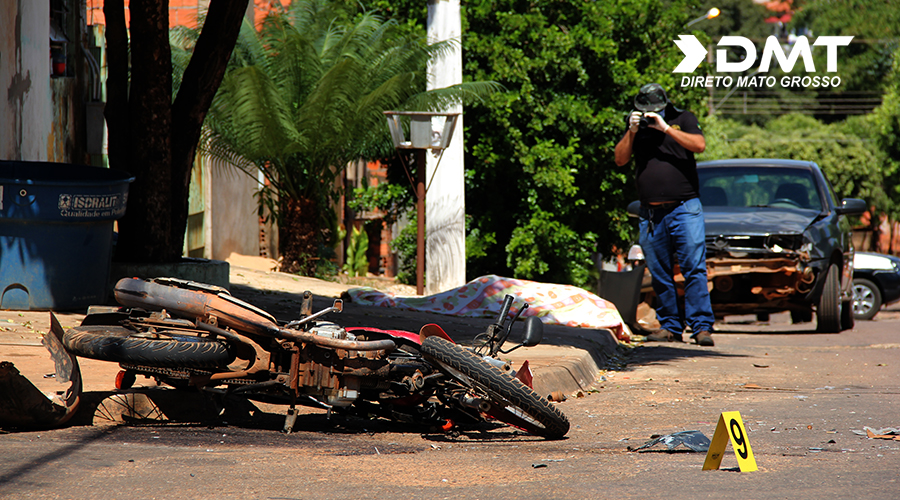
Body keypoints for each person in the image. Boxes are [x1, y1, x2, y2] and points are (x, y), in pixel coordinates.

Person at [614, 83, 715, 346]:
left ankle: (701, 327)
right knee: (659, 271)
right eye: (645, 111)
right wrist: (632, 131)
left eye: (654, 111)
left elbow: (700, 145)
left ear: (665, 105)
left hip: (685, 208)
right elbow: (620, 159)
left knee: (694, 268)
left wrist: (666, 128)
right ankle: (670, 326)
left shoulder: (683, 118)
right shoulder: (636, 127)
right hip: (651, 214)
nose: (650, 114)